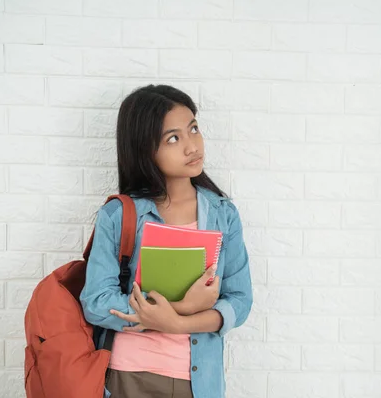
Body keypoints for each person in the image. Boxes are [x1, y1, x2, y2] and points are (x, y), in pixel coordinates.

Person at [80, 84, 253, 398]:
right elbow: (96, 303)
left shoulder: (223, 214)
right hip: (129, 374)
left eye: (193, 129)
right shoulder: (119, 215)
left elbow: (239, 302)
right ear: (145, 149)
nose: (191, 146)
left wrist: (177, 323)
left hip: (198, 380)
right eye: (173, 138)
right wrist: (183, 307)